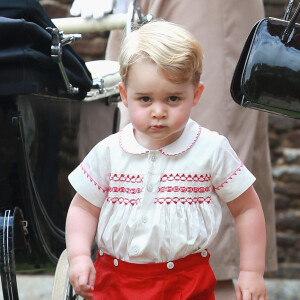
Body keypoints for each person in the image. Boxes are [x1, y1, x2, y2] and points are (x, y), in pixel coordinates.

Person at [66, 20, 268, 300]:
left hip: (186, 283)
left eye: (173, 98)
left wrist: (251, 271)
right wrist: (78, 257)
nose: (158, 111)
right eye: (145, 99)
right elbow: (84, 209)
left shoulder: (211, 150)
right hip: (113, 281)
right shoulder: (109, 152)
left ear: (195, 95)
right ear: (125, 95)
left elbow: (246, 209)